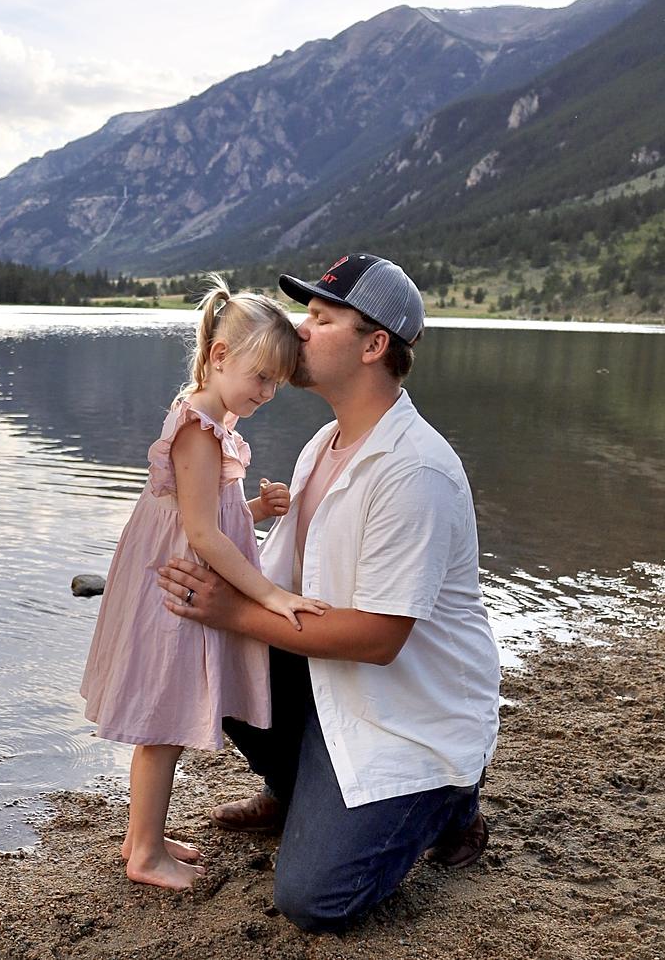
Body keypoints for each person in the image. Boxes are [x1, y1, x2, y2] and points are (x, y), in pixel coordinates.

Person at [158, 253, 501, 931]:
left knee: (314, 899)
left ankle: (452, 802)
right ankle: (296, 789)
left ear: (374, 346)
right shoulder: (324, 443)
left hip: (410, 715)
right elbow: (283, 585)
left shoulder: (415, 471)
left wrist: (232, 609)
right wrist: (195, 579)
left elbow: (378, 639)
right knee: (204, 637)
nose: (298, 329)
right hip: (333, 683)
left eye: (321, 317)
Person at [80, 276, 328, 891]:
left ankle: (144, 836)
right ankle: (143, 853)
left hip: (182, 577)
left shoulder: (213, 419)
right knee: (163, 723)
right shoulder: (197, 426)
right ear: (220, 356)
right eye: (260, 377)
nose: (267, 392)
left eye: (276, 382)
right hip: (176, 588)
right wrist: (269, 595)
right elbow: (201, 534)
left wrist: (257, 511)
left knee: (166, 720)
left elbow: (209, 515)